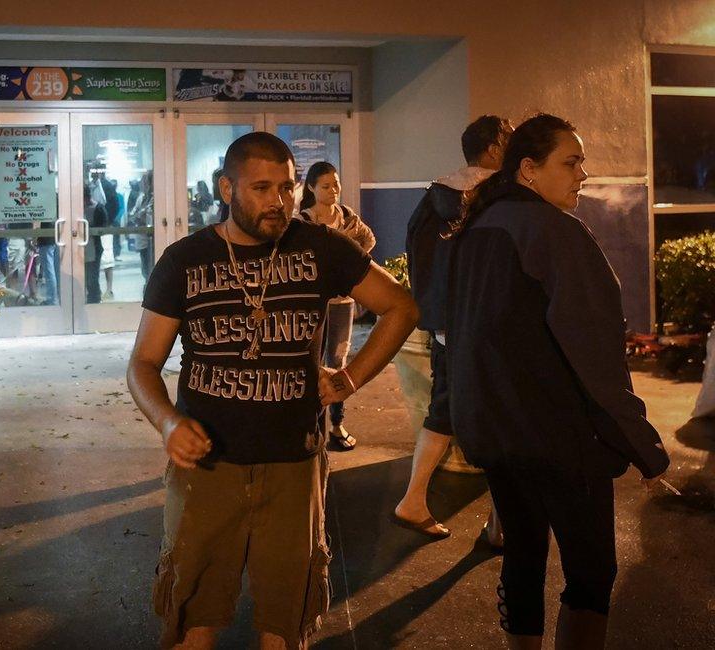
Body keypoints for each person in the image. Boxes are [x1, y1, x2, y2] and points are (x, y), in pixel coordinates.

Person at [127, 132, 418, 649]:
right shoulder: (184, 260)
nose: (278, 202)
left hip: (294, 461)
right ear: (226, 188)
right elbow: (144, 364)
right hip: (208, 467)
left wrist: (350, 378)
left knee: (286, 619)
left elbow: (401, 306)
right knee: (193, 615)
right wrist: (168, 422)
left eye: (286, 188)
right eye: (261, 188)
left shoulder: (320, 247)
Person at [446, 113, 670, 649]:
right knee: (590, 573)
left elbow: (453, 330)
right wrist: (645, 449)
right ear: (528, 169)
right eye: (571, 163)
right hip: (562, 439)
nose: (582, 175)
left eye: (583, 164)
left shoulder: (476, 228)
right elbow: (596, 359)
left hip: (496, 433)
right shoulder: (555, 233)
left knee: (523, 555)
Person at [395, 115, 513, 541]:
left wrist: (437, 317)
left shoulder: (434, 197)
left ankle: (413, 500)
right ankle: (501, 525)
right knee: (504, 419)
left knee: (442, 411)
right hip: (491, 330)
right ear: (496, 147)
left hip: (448, 328)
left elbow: (418, 259)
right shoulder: (501, 195)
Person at [298, 161, 376, 451]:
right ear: (311, 188)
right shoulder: (305, 221)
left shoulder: (347, 218)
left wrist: (349, 269)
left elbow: (368, 240)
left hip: (342, 303)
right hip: (314, 304)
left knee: (338, 362)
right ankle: (312, 424)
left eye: (336, 185)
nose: (334, 191)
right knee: (312, 362)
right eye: (326, 186)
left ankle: (336, 425)